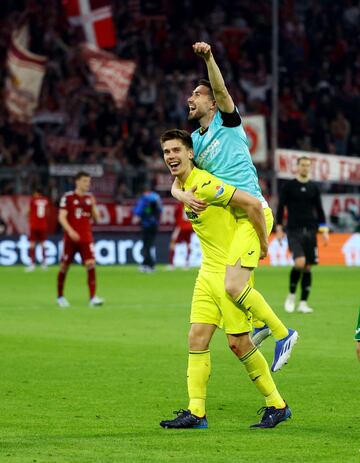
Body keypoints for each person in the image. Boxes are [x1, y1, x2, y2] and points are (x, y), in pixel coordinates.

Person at [159, 129, 294, 429]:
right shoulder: (183, 184)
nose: (171, 156)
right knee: (196, 337)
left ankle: (277, 404)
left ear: (190, 153)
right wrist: (178, 192)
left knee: (239, 344)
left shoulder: (206, 182)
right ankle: (197, 412)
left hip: (227, 271)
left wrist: (262, 243)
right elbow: (176, 185)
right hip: (206, 272)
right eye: (166, 152)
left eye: (176, 151)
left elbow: (250, 203)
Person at [171, 42, 297, 360]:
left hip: (254, 209)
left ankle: (285, 334)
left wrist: (210, 58)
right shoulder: (194, 143)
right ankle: (259, 324)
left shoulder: (226, 122)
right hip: (235, 218)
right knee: (236, 285)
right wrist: (179, 193)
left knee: (232, 285)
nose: (190, 99)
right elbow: (178, 174)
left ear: (212, 104)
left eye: (197, 95)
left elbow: (221, 89)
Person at [276, 156, 329, 313]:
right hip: (294, 230)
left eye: (307, 165)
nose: (305, 168)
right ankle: (291, 295)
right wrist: (279, 227)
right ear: (297, 167)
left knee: (307, 267)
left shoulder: (314, 187)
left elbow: (319, 210)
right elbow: (280, 207)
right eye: (303, 165)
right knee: (299, 262)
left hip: (311, 231)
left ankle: (303, 302)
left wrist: (324, 231)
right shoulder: (289, 186)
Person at [57, 171, 104, 308]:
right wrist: (70, 231)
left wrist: (93, 206)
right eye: (84, 181)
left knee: (91, 264)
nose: (87, 184)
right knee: (64, 266)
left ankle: (93, 297)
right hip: (70, 239)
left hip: (86, 238)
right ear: (77, 182)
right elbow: (62, 217)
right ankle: (60, 297)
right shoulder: (68, 197)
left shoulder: (90, 198)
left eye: (88, 182)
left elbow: (97, 219)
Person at [133, 184, 162, 273]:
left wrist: (136, 216)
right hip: (155, 225)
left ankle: (151, 265)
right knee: (149, 245)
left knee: (146, 246)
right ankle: (145, 264)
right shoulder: (156, 197)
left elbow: (138, 210)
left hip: (146, 225)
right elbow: (160, 210)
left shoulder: (144, 198)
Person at [25, 186, 50, 272]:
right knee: (43, 244)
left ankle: (32, 264)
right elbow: (47, 212)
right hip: (43, 225)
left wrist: (28, 215)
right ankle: (44, 263)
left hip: (34, 225)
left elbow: (28, 211)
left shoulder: (33, 200)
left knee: (32, 244)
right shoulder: (46, 200)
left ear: (36, 193)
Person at [167, 202, 193, 269]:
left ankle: (171, 264)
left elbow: (175, 215)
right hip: (189, 226)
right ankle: (187, 264)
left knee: (173, 243)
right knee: (188, 244)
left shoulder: (179, 204)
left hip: (181, 226)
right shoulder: (190, 203)